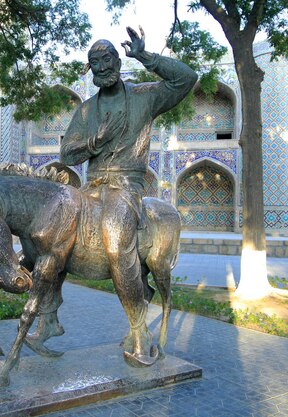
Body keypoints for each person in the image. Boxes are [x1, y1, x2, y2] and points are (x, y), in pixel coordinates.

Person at [60, 27, 196, 352]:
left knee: (116, 234)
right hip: (91, 187)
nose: (102, 67)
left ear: (118, 61)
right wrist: (95, 141)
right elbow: (67, 153)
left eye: (107, 59)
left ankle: (139, 329)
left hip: (125, 186)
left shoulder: (143, 97)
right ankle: (46, 315)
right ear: (90, 69)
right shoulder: (86, 110)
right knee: (48, 226)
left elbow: (186, 79)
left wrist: (146, 57)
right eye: (95, 62)